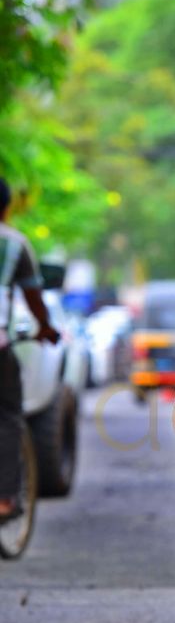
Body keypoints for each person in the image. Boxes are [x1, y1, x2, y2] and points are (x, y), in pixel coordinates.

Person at [0, 178, 60, 522]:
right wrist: (46, 328)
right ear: (7, 207)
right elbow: (33, 298)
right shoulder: (13, 243)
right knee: (8, 416)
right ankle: (6, 499)